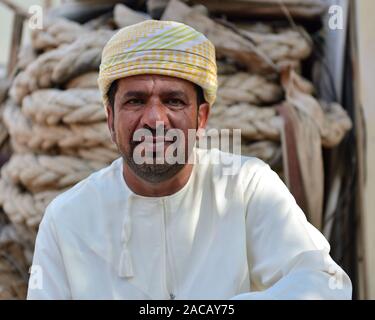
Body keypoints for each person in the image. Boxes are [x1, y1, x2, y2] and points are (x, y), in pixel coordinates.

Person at [27, 20, 352, 299]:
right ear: (110, 118)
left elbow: (325, 283)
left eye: (174, 100)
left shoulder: (247, 188)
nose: (155, 119)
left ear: (201, 118)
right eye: (136, 101)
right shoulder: (66, 221)